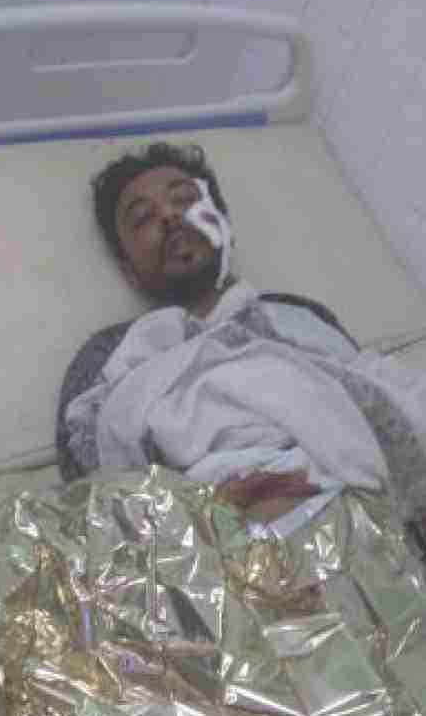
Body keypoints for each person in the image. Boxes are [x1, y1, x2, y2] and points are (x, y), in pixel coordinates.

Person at [56, 142, 426, 534]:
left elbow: (375, 398)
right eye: (143, 217)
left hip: (369, 509)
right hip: (221, 536)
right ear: (128, 271)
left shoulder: (301, 314)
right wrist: (201, 512)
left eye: (185, 199)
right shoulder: (108, 354)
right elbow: (94, 492)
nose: (170, 215)